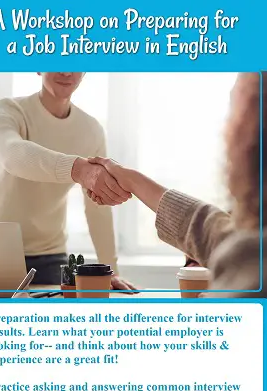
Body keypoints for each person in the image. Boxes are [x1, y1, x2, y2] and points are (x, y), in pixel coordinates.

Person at [87, 72, 266, 296]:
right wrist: (133, 180)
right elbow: (217, 232)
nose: (226, 132)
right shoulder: (250, 245)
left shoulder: (252, 274)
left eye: (233, 116)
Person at [0, 72, 136, 291]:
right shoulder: (6, 111)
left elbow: (97, 207)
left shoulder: (91, 130)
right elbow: (13, 155)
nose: (67, 72)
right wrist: (78, 169)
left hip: (50, 255)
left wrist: (110, 270)